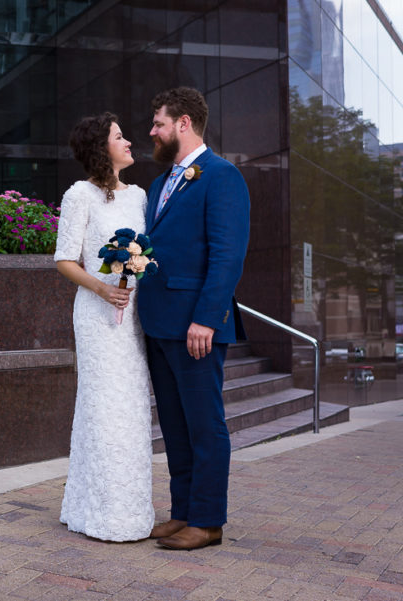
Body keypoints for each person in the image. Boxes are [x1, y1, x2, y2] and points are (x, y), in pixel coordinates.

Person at [136, 87, 250, 550]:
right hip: (160, 322)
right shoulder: (161, 183)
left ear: (183, 123)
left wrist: (206, 317)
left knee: (205, 424)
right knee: (175, 426)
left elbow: (228, 254)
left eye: (158, 123)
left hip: (196, 327)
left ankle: (207, 522)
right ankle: (181, 512)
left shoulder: (222, 177)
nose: (152, 131)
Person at [53, 112, 155, 541]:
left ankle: (131, 510)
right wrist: (101, 288)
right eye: (119, 136)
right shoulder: (80, 196)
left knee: (130, 407)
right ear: (101, 147)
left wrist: (137, 267)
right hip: (97, 316)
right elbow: (64, 260)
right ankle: (100, 511)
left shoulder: (141, 196)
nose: (129, 141)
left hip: (131, 315)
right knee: (103, 407)